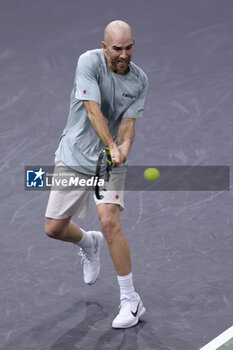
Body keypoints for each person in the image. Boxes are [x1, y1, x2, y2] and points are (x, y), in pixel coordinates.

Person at [45, 20, 148, 329]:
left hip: (109, 162)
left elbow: (128, 126)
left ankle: (131, 301)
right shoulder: (87, 62)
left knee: (109, 220)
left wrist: (124, 148)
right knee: (54, 229)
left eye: (128, 47)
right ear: (105, 47)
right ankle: (89, 244)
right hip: (75, 153)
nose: (123, 55)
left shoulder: (140, 80)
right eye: (117, 49)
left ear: (133, 44)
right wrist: (112, 144)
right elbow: (92, 110)